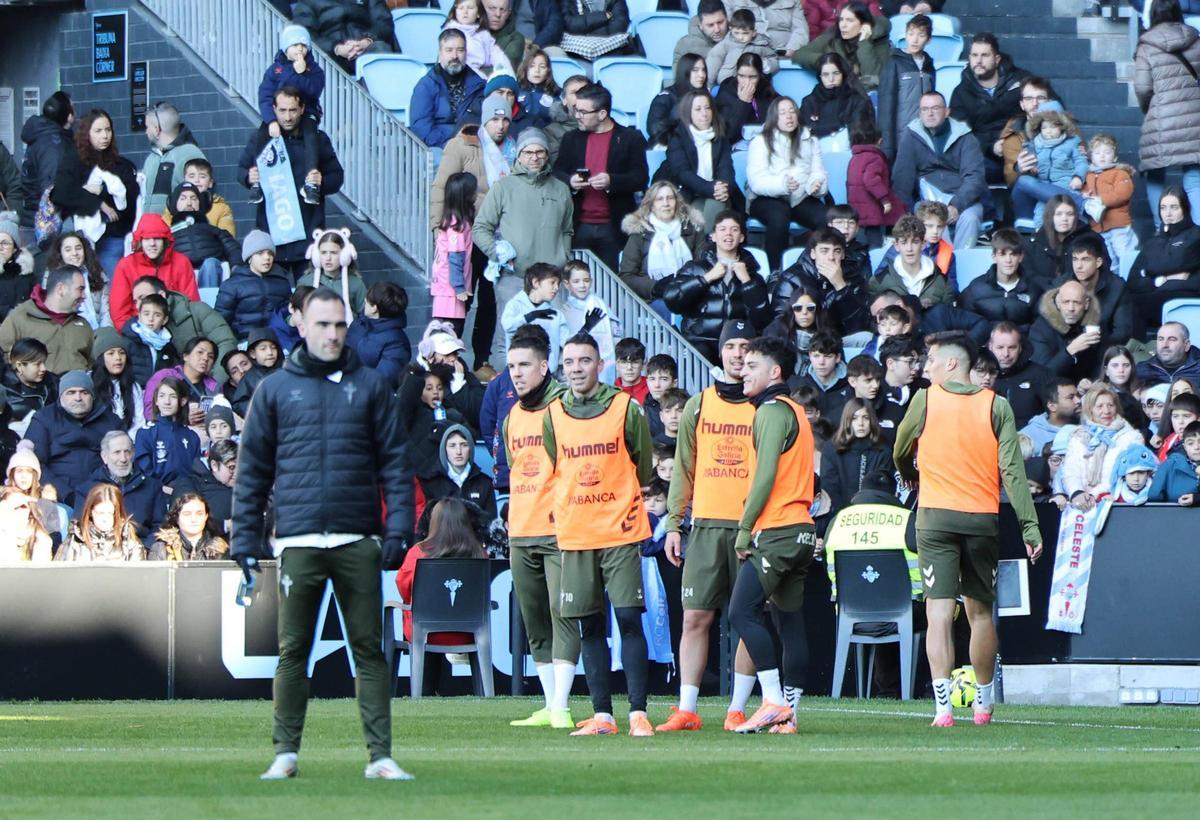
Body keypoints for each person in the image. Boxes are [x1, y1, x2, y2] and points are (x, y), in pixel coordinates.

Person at [232, 286, 414, 781]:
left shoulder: (373, 385)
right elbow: (252, 472)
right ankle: (285, 753)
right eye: (323, 325)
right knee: (293, 651)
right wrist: (245, 541)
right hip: (298, 539)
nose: (333, 334)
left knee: (369, 651)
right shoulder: (273, 389)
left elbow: (396, 464)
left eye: (339, 324)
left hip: (359, 538)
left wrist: (399, 526)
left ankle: (380, 757)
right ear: (301, 325)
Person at [893, 331, 1041, 727]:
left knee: (938, 613)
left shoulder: (925, 399)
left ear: (952, 364)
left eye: (932, 361)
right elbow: (1012, 471)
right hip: (981, 518)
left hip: (936, 516)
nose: (927, 368)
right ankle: (983, 703)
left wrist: (911, 474)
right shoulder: (997, 405)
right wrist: (1030, 527)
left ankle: (943, 709)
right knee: (979, 614)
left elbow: (899, 448)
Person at [542, 331, 654, 737]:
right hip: (576, 533)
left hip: (620, 529)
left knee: (627, 617)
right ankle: (602, 715)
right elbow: (558, 465)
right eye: (569, 362)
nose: (575, 369)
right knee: (588, 625)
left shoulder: (626, 407)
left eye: (584, 361)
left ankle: (638, 712)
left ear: (599, 364)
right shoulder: (552, 413)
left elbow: (642, 464)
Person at [655, 321, 757, 731]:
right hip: (707, 526)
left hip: (751, 527)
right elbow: (683, 469)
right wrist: (675, 523)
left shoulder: (764, 406)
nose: (736, 353)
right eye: (730, 345)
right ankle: (688, 708)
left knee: (747, 619)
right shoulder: (699, 404)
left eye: (744, 345)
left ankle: (736, 709)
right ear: (720, 352)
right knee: (695, 617)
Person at [726, 335, 816, 734]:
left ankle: (774, 702)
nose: (743, 370)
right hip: (802, 530)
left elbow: (764, 477)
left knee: (741, 612)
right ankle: (789, 716)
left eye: (751, 365)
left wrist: (745, 528)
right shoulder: (797, 411)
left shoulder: (771, 410)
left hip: (776, 529)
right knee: (789, 622)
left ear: (775, 372)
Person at [500, 326, 579, 727]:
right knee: (534, 620)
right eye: (511, 366)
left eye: (524, 365)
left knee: (562, 613)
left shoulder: (564, 407)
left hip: (559, 531)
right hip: (522, 531)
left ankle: (562, 705)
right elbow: (517, 472)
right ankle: (551, 705)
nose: (516, 373)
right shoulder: (511, 415)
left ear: (544, 366)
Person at [474, 128, 573, 369]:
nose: (534, 157)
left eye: (540, 151)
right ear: (518, 155)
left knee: (556, 337)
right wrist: (498, 254)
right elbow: (480, 228)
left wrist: (563, 258)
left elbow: (567, 230)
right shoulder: (503, 187)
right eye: (528, 152)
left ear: (547, 155)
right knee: (508, 336)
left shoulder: (560, 189)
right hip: (514, 278)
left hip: (552, 280)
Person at [237, 87, 345, 280]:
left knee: (308, 298)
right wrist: (248, 177)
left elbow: (337, 178)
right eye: (282, 110)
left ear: (302, 109)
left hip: (308, 235)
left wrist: (322, 181)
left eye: (293, 110)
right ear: (273, 109)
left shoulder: (318, 140)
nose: (287, 117)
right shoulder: (260, 139)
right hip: (272, 237)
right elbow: (241, 171)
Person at [551, 83, 649, 272]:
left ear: (602, 114)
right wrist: (570, 181)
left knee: (612, 285)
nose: (577, 115)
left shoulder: (630, 138)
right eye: (575, 110)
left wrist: (612, 181)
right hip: (578, 225)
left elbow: (641, 177)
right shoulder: (571, 138)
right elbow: (557, 172)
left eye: (582, 112)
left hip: (614, 226)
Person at [657, 210, 772, 362]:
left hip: (737, 345)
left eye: (734, 229)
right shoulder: (694, 268)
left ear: (742, 237)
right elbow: (672, 300)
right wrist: (706, 279)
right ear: (713, 236)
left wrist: (747, 281)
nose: (728, 234)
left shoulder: (752, 275)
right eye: (722, 229)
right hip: (700, 342)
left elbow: (762, 319)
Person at [892, 91, 987, 249]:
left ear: (947, 111)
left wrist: (956, 205)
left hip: (964, 200)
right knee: (931, 220)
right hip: (927, 201)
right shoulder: (911, 135)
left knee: (970, 218)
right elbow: (902, 179)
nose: (929, 113)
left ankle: (960, 262)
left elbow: (974, 178)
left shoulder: (965, 136)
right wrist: (905, 215)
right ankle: (941, 265)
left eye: (935, 108)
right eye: (924, 109)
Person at [49, 109, 139, 276]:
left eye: (108, 130)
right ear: (87, 134)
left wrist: (98, 191)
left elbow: (129, 200)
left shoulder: (122, 165)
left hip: (113, 238)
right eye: (98, 131)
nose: (105, 136)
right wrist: (98, 203)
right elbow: (60, 194)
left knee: (114, 287)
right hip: (78, 242)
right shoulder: (73, 161)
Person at [1135, 0, 1200, 224]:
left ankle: (1161, 228)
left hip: (1160, 117)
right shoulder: (1195, 40)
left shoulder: (1146, 45)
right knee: (1194, 178)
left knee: (1155, 174)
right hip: (1195, 117)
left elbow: (1143, 88)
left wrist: (1150, 109)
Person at [746, 96, 829, 272]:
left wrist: (816, 185)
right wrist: (782, 185)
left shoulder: (810, 140)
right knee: (779, 215)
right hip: (766, 197)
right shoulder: (760, 141)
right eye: (783, 113)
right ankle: (775, 271)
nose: (789, 116)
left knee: (827, 218)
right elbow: (756, 181)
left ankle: (814, 267)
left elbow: (818, 171)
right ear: (774, 117)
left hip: (800, 196)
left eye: (792, 111)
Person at [256, 24, 325, 206]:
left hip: (306, 114)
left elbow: (313, 92)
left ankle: (310, 182)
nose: (299, 49)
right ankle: (257, 181)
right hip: (278, 115)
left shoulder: (314, 70)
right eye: (295, 45)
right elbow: (265, 96)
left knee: (311, 136)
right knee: (260, 136)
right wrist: (271, 120)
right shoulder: (275, 70)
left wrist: (300, 74)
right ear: (285, 48)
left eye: (303, 45)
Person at [949, 33, 1029, 185]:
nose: (978, 61)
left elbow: (1050, 106)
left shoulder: (1021, 80)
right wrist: (991, 146)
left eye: (985, 55)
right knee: (968, 168)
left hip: (1022, 150)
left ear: (997, 59)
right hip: (986, 157)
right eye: (974, 55)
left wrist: (1010, 143)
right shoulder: (961, 93)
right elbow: (959, 135)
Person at [660, 91, 744, 231]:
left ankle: (707, 247)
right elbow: (682, 173)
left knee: (717, 202)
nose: (704, 113)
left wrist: (723, 188)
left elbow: (726, 169)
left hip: (718, 194)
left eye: (707, 108)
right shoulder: (677, 137)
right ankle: (706, 247)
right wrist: (710, 188)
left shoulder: (721, 137)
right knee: (698, 213)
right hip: (689, 193)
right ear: (688, 113)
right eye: (698, 109)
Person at [771, 226, 872, 337]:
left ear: (843, 254)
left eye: (837, 251)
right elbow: (780, 320)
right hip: (803, 338)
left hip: (839, 339)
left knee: (865, 337)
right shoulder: (791, 277)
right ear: (813, 253)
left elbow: (860, 323)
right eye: (824, 251)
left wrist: (840, 285)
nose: (831, 257)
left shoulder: (854, 277)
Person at [135, 276, 238, 383]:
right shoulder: (137, 331)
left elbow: (225, 342)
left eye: (143, 298)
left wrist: (216, 383)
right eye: (135, 301)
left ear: (162, 295)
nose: (138, 305)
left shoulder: (197, 311)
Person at [1127, 188, 1200, 338]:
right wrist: (1163, 279)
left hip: (1186, 297)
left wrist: (1147, 272)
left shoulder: (1196, 235)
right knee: (1127, 301)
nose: (1168, 213)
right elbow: (1133, 281)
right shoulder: (1153, 242)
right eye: (1163, 208)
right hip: (1154, 297)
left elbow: (1179, 262)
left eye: (1174, 207)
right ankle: (1139, 353)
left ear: (1185, 209)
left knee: (1136, 303)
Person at [1061, 383, 1146, 510]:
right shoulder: (1078, 436)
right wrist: (1076, 493)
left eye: (1110, 405)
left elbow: (1125, 475)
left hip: (1114, 505)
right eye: (1099, 406)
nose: (1106, 411)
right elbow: (1070, 471)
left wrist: (1094, 496)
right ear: (1090, 409)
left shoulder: (1132, 438)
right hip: (1079, 505)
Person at [618, 180, 706, 303]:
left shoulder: (693, 229)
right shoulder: (639, 233)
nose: (666, 203)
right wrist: (656, 287)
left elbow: (703, 267)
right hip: (653, 299)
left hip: (690, 293)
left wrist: (686, 286)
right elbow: (626, 277)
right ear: (651, 205)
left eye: (670, 198)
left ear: (677, 202)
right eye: (659, 199)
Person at [108, 214, 200, 329]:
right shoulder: (125, 266)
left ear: (165, 240)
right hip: (137, 329)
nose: (152, 243)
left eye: (157, 238)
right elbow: (119, 312)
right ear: (140, 241)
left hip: (176, 326)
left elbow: (191, 302)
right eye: (147, 239)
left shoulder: (181, 262)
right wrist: (134, 333)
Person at [0, 266, 94, 375]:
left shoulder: (83, 326)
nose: (84, 296)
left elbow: (93, 363)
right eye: (80, 289)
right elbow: (3, 356)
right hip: (37, 390)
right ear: (61, 289)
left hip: (79, 389)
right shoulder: (20, 317)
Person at [76, 429, 167, 536]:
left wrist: (145, 548)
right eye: (117, 452)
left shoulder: (152, 487)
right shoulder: (87, 490)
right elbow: (80, 528)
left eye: (127, 452)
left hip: (142, 548)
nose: (123, 459)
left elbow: (160, 527)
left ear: (133, 454)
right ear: (104, 456)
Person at [1011, 103, 1088, 224]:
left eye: (1053, 127)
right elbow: (1028, 164)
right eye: (1044, 127)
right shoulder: (1034, 144)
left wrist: (1078, 177)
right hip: (1043, 186)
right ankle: (1039, 237)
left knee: (1065, 214)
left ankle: (1084, 207)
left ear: (1062, 126)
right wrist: (1031, 170)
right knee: (1041, 214)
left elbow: (1081, 162)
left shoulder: (1072, 142)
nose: (1048, 131)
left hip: (1065, 184)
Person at [411, 30, 488, 150]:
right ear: (440, 53)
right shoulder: (426, 86)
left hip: (473, 145)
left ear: (466, 53)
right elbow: (421, 126)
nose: (455, 56)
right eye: (449, 50)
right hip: (437, 146)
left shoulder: (479, 85)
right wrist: (449, 144)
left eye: (460, 50)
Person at [958, 228, 1045, 332]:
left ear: (1021, 257)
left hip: (1022, 346)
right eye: (1002, 254)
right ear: (994, 257)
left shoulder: (1034, 290)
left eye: (1013, 254)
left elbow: (1039, 329)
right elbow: (965, 325)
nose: (1008, 260)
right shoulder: (975, 288)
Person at [215, 230, 294, 342]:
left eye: (270, 253)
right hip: (243, 342)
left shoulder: (282, 282)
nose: (267, 257)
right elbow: (220, 323)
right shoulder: (231, 285)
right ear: (249, 257)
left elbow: (288, 315)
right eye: (260, 253)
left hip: (277, 343)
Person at [793, 2, 891, 90]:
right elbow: (800, 54)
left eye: (849, 20)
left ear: (863, 24)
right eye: (841, 19)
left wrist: (864, 42)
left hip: (865, 97)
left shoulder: (879, 41)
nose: (843, 25)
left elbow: (874, 78)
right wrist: (831, 62)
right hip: (838, 94)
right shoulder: (834, 33)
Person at [878, 12, 934, 162]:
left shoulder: (929, 66)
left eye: (921, 35)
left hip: (925, 136)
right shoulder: (894, 63)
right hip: (901, 137)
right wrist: (888, 146)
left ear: (929, 40)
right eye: (911, 34)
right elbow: (886, 106)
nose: (914, 39)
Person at [1060, 231, 1133, 345]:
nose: (1078, 266)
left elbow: (1122, 332)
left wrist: (1093, 345)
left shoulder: (1117, 287)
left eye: (1085, 259)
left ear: (1098, 262)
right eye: (1075, 259)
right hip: (1069, 349)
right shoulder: (1062, 284)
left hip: (1104, 349)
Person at [164, 182, 243, 287]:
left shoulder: (214, 230)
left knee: (211, 264)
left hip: (210, 274)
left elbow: (233, 249)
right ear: (173, 204)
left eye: (193, 198)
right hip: (182, 277)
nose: (189, 203)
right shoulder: (167, 235)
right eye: (183, 199)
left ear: (200, 203)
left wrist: (236, 267)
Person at [1082, 133, 1139, 273]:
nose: (1102, 156)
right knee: (1108, 258)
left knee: (1125, 254)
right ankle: (1115, 285)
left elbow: (1123, 193)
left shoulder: (1120, 173)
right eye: (1097, 153)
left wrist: (1101, 200)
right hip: (1098, 227)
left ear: (1114, 157)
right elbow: (1084, 194)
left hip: (1118, 224)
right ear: (1091, 157)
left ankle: (1129, 282)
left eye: (1107, 152)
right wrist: (1084, 195)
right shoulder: (1088, 176)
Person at [870, 214, 954, 307]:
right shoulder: (879, 281)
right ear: (896, 245)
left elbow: (948, 317)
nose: (909, 248)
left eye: (915, 242)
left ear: (923, 244)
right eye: (904, 242)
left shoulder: (941, 281)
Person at [18, 90, 73, 232]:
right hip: (46, 223)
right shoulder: (54, 145)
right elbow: (50, 190)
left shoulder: (41, 135)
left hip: (34, 217)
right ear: (68, 116)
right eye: (72, 109)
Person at [140, 102, 207, 217]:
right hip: (150, 232)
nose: (146, 132)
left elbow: (202, 198)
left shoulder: (190, 154)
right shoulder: (151, 159)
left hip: (179, 231)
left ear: (156, 130)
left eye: (147, 127)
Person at [292, 0, 394, 74]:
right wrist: (336, 48)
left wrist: (367, 41)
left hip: (366, 49)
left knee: (381, 49)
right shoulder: (307, 2)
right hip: (330, 56)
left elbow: (384, 22)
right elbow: (305, 34)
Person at [136, 377, 201, 489]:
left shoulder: (192, 437)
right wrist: (162, 489)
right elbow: (143, 471)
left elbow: (198, 472)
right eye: (162, 396)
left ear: (183, 401)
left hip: (188, 494)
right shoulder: (145, 433)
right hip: (157, 495)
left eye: (173, 396)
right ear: (156, 400)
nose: (167, 401)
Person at [847, 120, 905, 246]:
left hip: (857, 207)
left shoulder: (854, 158)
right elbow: (871, 180)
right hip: (873, 206)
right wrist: (884, 199)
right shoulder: (875, 157)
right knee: (875, 241)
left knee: (862, 238)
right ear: (879, 141)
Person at [55, 482, 144, 562]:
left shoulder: (129, 541)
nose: (105, 518)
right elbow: (60, 575)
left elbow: (139, 577)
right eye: (100, 513)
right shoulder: (75, 539)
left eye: (110, 513)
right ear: (90, 512)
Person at [345, 282, 411, 390]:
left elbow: (384, 380)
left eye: (367, 301)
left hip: (366, 396)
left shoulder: (397, 343)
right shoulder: (358, 324)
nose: (364, 303)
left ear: (374, 308)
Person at [998, 75, 1059, 189]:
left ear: (1049, 101)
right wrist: (1018, 169)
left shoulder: (1066, 127)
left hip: (1061, 187)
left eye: (1040, 98)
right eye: (1029, 98)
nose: (1035, 103)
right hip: (1027, 194)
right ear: (1022, 104)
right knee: (1025, 181)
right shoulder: (1013, 133)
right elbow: (1010, 181)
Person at [987, 322, 1051, 429]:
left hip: (1031, 439)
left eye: (1012, 347)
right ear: (990, 347)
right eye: (1000, 347)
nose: (1006, 354)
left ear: (1020, 348)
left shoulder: (1039, 374)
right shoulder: (979, 376)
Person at [797, 52, 874, 140]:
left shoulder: (857, 100)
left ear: (843, 74)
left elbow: (859, 133)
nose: (831, 79)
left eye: (836, 73)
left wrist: (819, 128)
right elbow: (803, 134)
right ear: (820, 77)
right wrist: (840, 126)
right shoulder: (809, 102)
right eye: (826, 74)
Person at [143, 336, 221, 423]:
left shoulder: (214, 387)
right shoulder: (164, 376)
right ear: (185, 356)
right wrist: (182, 419)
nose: (205, 358)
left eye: (210, 356)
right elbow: (150, 411)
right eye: (200, 352)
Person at [45, 231, 110, 331]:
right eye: (68, 250)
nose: (74, 253)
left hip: (99, 333)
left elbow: (106, 312)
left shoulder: (96, 273)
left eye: (78, 248)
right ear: (60, 254)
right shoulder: (52, 277)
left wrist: (105, 336)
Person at [1022, 195, 1091, 284]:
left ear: (1076, 216)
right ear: (1050, 216)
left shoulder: (1089, 240)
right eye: (1058, 214)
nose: (1064, 219)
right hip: (1042, 294)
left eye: (1069, 214)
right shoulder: (1032, 244)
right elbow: (1030, 277)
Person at [303, 228, 366, 322]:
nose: (328, 258)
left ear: (345, 255)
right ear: (316, 255)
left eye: (333, 253)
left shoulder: (356, 284)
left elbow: (365, 316)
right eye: (323, 253)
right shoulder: (306, 282)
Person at [648, 54, 709, 148]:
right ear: (684, 72)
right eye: (695, 70)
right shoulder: (666, 97)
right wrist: (675, 116)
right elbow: (653, 129)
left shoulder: (705, 97)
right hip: (669, 147)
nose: (701, 75)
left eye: (703, 70)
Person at [147, 492, 229, 560]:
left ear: (206, 516)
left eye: (199, 514)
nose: (194, 519)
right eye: (187, 514)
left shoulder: (220, 548)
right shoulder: (162, 548)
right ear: (177, 518)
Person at [707, 8, 779, 84]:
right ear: (730, 29)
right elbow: (713, 63)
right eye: (736, 33)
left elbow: (773, 59)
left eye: (745, 33)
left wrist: (766, 65)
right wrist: (708, 85)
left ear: (754, 32)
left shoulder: (761, 44)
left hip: (754, 84)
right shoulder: (725, 45)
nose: (740, 37)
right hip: (729, 84)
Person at [715, 53, 778, 138]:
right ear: (736, 74)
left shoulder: (766, 90)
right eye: (741, 76)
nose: (746, 82)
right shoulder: (726, 93)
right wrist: (743, 103)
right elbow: (727, 135)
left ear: (760, 76)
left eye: (752, 77)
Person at [443, 0, 514, 77]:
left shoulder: (483, 34)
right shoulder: (450, 33)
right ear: (455, 11)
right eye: (461, 8)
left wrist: (506, 74)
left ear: (478, 13)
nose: (465, 12)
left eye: (470, 8)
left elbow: (497, 55)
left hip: (481, 77)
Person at [490, 0, 563, 68]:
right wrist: (518, 42)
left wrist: (535, 44)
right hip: (511, 41)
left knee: (557, 53)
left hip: (538, 44)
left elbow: (554, 25)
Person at [1020, 377, 1082, 456]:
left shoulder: (1088, 426)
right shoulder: (1028, 437)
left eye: (1078, 396)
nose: (1078, 401)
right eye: (1071, 397)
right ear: (1052, 406)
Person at [559, 0, 631, 62]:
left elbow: (620, 26)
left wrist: (589, 30)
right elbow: (571, 24)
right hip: (577, 54)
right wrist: (603, 16)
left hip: (612, 50)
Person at [0, 485, 53, 564]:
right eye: (12, 507)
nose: (18, 511)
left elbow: (38, 573)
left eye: (22, 506)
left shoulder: (41, 539)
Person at [0, 220, 35, 323]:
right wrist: (9, 312)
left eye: (5, 243)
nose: (0, 247)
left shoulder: (26, 274)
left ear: (15, 248)